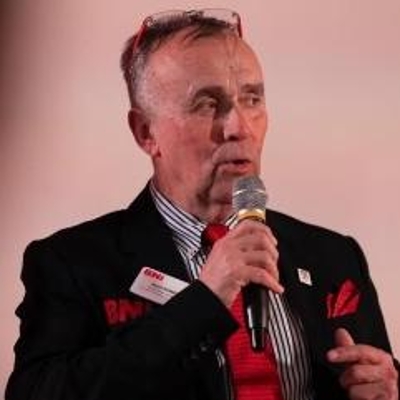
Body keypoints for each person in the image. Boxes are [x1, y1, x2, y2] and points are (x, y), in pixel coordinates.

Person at [6, 8, 399, 400]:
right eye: (207, 104)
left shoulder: (334, 257)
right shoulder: (71, 263)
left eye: (252, 99)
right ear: (145, 132)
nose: (239, 127)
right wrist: (204, 301)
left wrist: (389, 387)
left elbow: (375, 377)